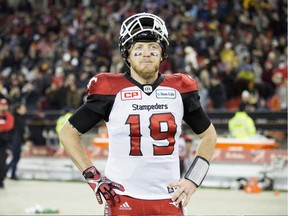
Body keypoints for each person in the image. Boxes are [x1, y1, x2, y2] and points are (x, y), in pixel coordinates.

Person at [59, 12, 217, 216]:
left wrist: (193, 179)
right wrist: (93, 176)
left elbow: (209, 135)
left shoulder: (180, 88)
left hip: (169, 198)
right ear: (127, 54)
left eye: (153, 47)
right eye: (139, 48)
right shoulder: (109, 88)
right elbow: (67, 133)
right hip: (122, 198)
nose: (146, 53)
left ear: (162, 54)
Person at [7, 103, 27, 180]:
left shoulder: (20, 117)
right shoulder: (14, 118)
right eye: (23, 108)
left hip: (17, 141)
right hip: (15, 141)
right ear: (18, 109)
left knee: (16, 158)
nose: (25, 109)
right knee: (15, 158)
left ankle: (9, 173)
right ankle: (9, 173)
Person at [0, 98, 15, 188]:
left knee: (2, 164)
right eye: (2, 105)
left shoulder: (9, 116)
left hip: (3, 145)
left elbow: (8, 126)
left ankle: (1, 180)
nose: (3, 106)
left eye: (5, 105)